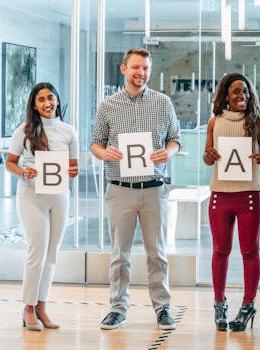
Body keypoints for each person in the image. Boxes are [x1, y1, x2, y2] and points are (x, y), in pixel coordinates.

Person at [91, 48, 181, 331]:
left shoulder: (163, 102)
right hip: (120, 189)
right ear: (123, 70)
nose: (140, 73)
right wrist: (104, 153)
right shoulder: (108, 105)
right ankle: (118, 308)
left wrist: (168, 153)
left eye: (145, 68)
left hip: (154, 189)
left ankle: (163, 307)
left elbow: (175, 139)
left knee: (157, 253)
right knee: (120, 254)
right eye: (135, 68)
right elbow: (95, 142)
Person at [203, 72, 260, 332]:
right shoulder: (214, 122)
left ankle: (248, 304)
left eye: (244, 91)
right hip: (220, 194)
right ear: (226, 96)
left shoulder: (258, 122)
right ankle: (219, 302)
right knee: (220, 251)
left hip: (249, 196)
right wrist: (209, 154)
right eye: (235, 92)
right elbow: (207, 159)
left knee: (249, 251)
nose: (241, 96)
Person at [5, 82, 79, 331]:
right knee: (36, 254)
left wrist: (72, 171)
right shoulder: (24, 131)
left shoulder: (69, 131)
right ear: (34, 105)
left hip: (59, 196)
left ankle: (41, 306)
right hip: (31, 196)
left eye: (50, 97)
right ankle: (27, 308)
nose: (47, 103)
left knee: (51, 255)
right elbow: (10, 163)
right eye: (41, 100)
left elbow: (74, 167)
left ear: (57, 99)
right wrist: (23, 172)